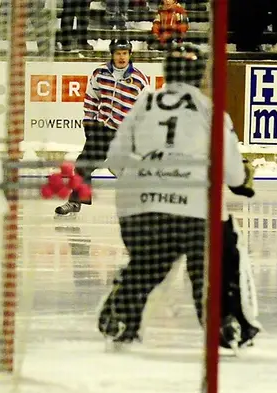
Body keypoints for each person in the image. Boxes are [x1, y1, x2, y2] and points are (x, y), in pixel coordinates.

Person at [97, 43, 261, 352]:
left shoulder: (143, 103)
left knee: (150, 262)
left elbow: (116, 158)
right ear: (200, 74)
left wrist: (150, 180)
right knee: (215, 261)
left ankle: (122, 313)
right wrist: (242, 182)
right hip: (193, 209)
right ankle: (227, 321)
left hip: (137, 207)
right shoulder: (208, 109)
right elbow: (234, 175)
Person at [55, 39, 149, 217]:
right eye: (118, 53)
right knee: (83, 165)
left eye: (125, 53)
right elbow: (91, 98)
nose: (122, 57)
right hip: (102, 128)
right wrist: (89, 122)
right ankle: (75, 202)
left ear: (130, 54)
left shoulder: (139, 79)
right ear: (112, 54)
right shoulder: (100, 73)